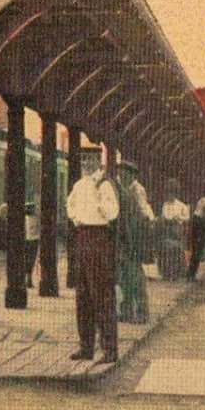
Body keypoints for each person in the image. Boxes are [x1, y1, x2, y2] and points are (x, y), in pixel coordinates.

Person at [66, 154, 119, 363]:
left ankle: (110, 349)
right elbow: (69, 204)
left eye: (90, 160)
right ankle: (86, 347)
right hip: (82, 236)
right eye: (83, 160)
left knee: (102, 294)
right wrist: (76, 218)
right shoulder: (79, 184)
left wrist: (98, 204)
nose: (86, 164)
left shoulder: (104, 184)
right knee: (83, 294)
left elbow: (112, 212)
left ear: (98, 162)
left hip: (99, 237)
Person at [116, 172, 151, 323]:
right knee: (125, 277)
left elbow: (144, 215)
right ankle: (127, 310)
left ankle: (142, 312)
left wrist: (134, 241)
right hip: (128, 239)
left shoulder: (137, 191)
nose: (121, 176)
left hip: (135, 240)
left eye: (124, 174)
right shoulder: (127, 191)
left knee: (135, 277)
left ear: (130, 175)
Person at [159, 183, 190, 281]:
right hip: (167, 230)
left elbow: (187, 218)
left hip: (177, 231)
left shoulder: (181, 205)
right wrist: (166, 219)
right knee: (166, 250)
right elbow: (163, 215)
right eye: (168, 193)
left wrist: (178, 218)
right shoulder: (165, 204)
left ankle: (177, 273)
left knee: (176, 250)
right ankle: (167, 273)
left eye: (171, 192)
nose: (169, 195)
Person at [187, 186, 205, 282]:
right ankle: (191, 274)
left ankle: (191, 273)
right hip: (200, 225)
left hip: (197, 224)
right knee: (197, 251)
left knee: (196, 251)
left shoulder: (201, 200)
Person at [24, 201, 41, 288]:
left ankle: (29, 279)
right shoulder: (28, 218)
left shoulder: (36, 218)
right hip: (29, 240)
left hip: (33, 240)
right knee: (29, 259)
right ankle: (28, 279)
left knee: (30, 259)